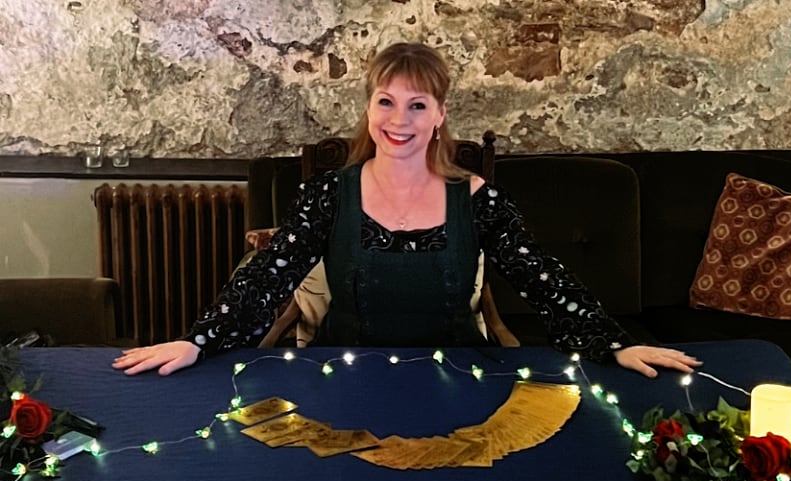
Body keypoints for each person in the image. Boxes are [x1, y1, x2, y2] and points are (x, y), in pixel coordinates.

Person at [113, 42, 702, 379]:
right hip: (340, 378)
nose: (399, 120)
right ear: (369, 107)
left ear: (441, 115)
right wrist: (197, 341)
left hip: (463, 377)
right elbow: (268, 277)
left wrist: (613, 342)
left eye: (417, 104)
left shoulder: (477, 199)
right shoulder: (327, 195)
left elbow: (543, 279)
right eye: (386, 101)